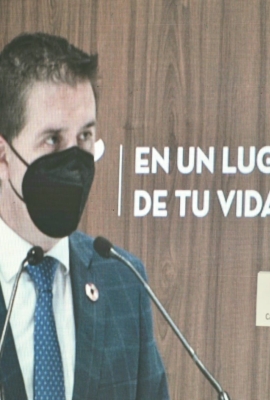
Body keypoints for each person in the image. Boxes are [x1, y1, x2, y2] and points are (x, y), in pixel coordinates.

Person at [0, 33, 170, 399]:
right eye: (52, 140)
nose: (75, 162)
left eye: (85, 136)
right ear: (3, 157)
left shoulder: (124, 281)